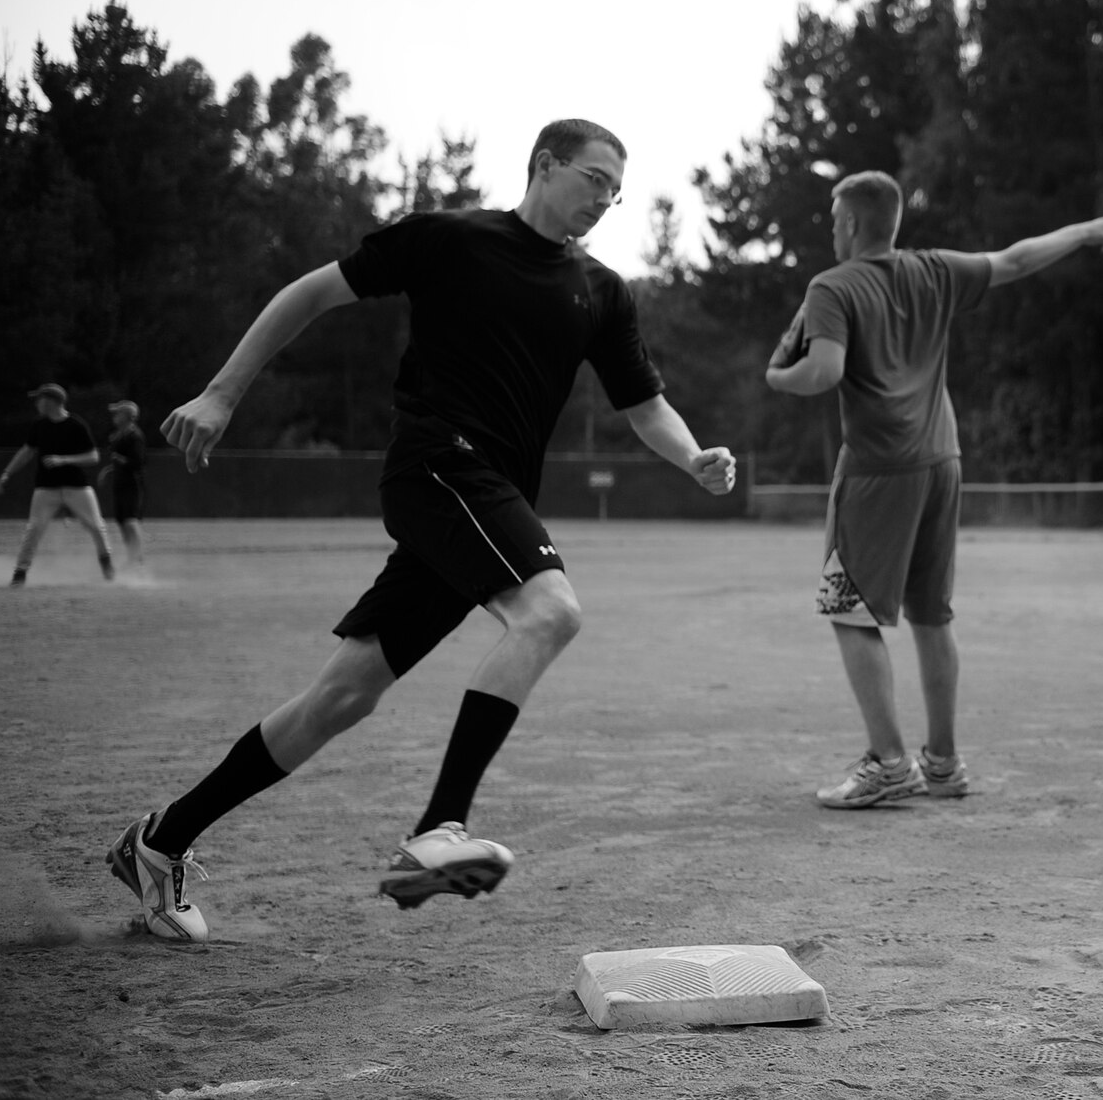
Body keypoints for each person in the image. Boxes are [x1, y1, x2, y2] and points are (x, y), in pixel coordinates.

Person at [108, 118, 736, 942]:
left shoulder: (601, 290)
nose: (604, 201)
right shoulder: (453, 240)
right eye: (593, 180)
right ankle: (439, 828)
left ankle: (160, 840)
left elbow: (645, 405)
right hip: (440, 464)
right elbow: (312, 291)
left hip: (481, 499)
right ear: (546, 165)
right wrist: (223, 393)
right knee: (551, 610)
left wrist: (693, 459)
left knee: (342, 696)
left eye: (616, 193)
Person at [766, 170, 1103, 809]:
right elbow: (1017, 259)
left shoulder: (831, 286)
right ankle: (942, 764)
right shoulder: (935, 270)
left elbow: (821, 373)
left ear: (852, 223)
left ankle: (888, 763)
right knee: (931, 615)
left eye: (834, 220)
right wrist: (1082, 232)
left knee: (849, 613)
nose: (831, 230)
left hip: (879, 470)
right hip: (942, 459)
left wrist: (777, 378)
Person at [0, 383, 116, 586]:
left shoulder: (76, 424)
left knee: (96, 526)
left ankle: (107, 566)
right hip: (46, 488)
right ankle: (20, 573)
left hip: (76, 487)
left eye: (39, 399)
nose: (36, 403)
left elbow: (93, 456)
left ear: (51, 401)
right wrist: (7, 472)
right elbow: (27, 451)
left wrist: (63, 460)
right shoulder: (39, 425)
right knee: (34, 529)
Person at [99, 399, 150, 569]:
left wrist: (119, 459)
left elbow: (139, 463)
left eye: (118, 413)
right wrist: (108, 470)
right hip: (120, 484)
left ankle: (139, 559)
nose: (114, 416)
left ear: (128, 416)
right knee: (122, 522)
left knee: (131, 521)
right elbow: (119, 462)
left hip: (132, 485)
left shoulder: (135, 436)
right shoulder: (118, 435)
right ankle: (132, 557)